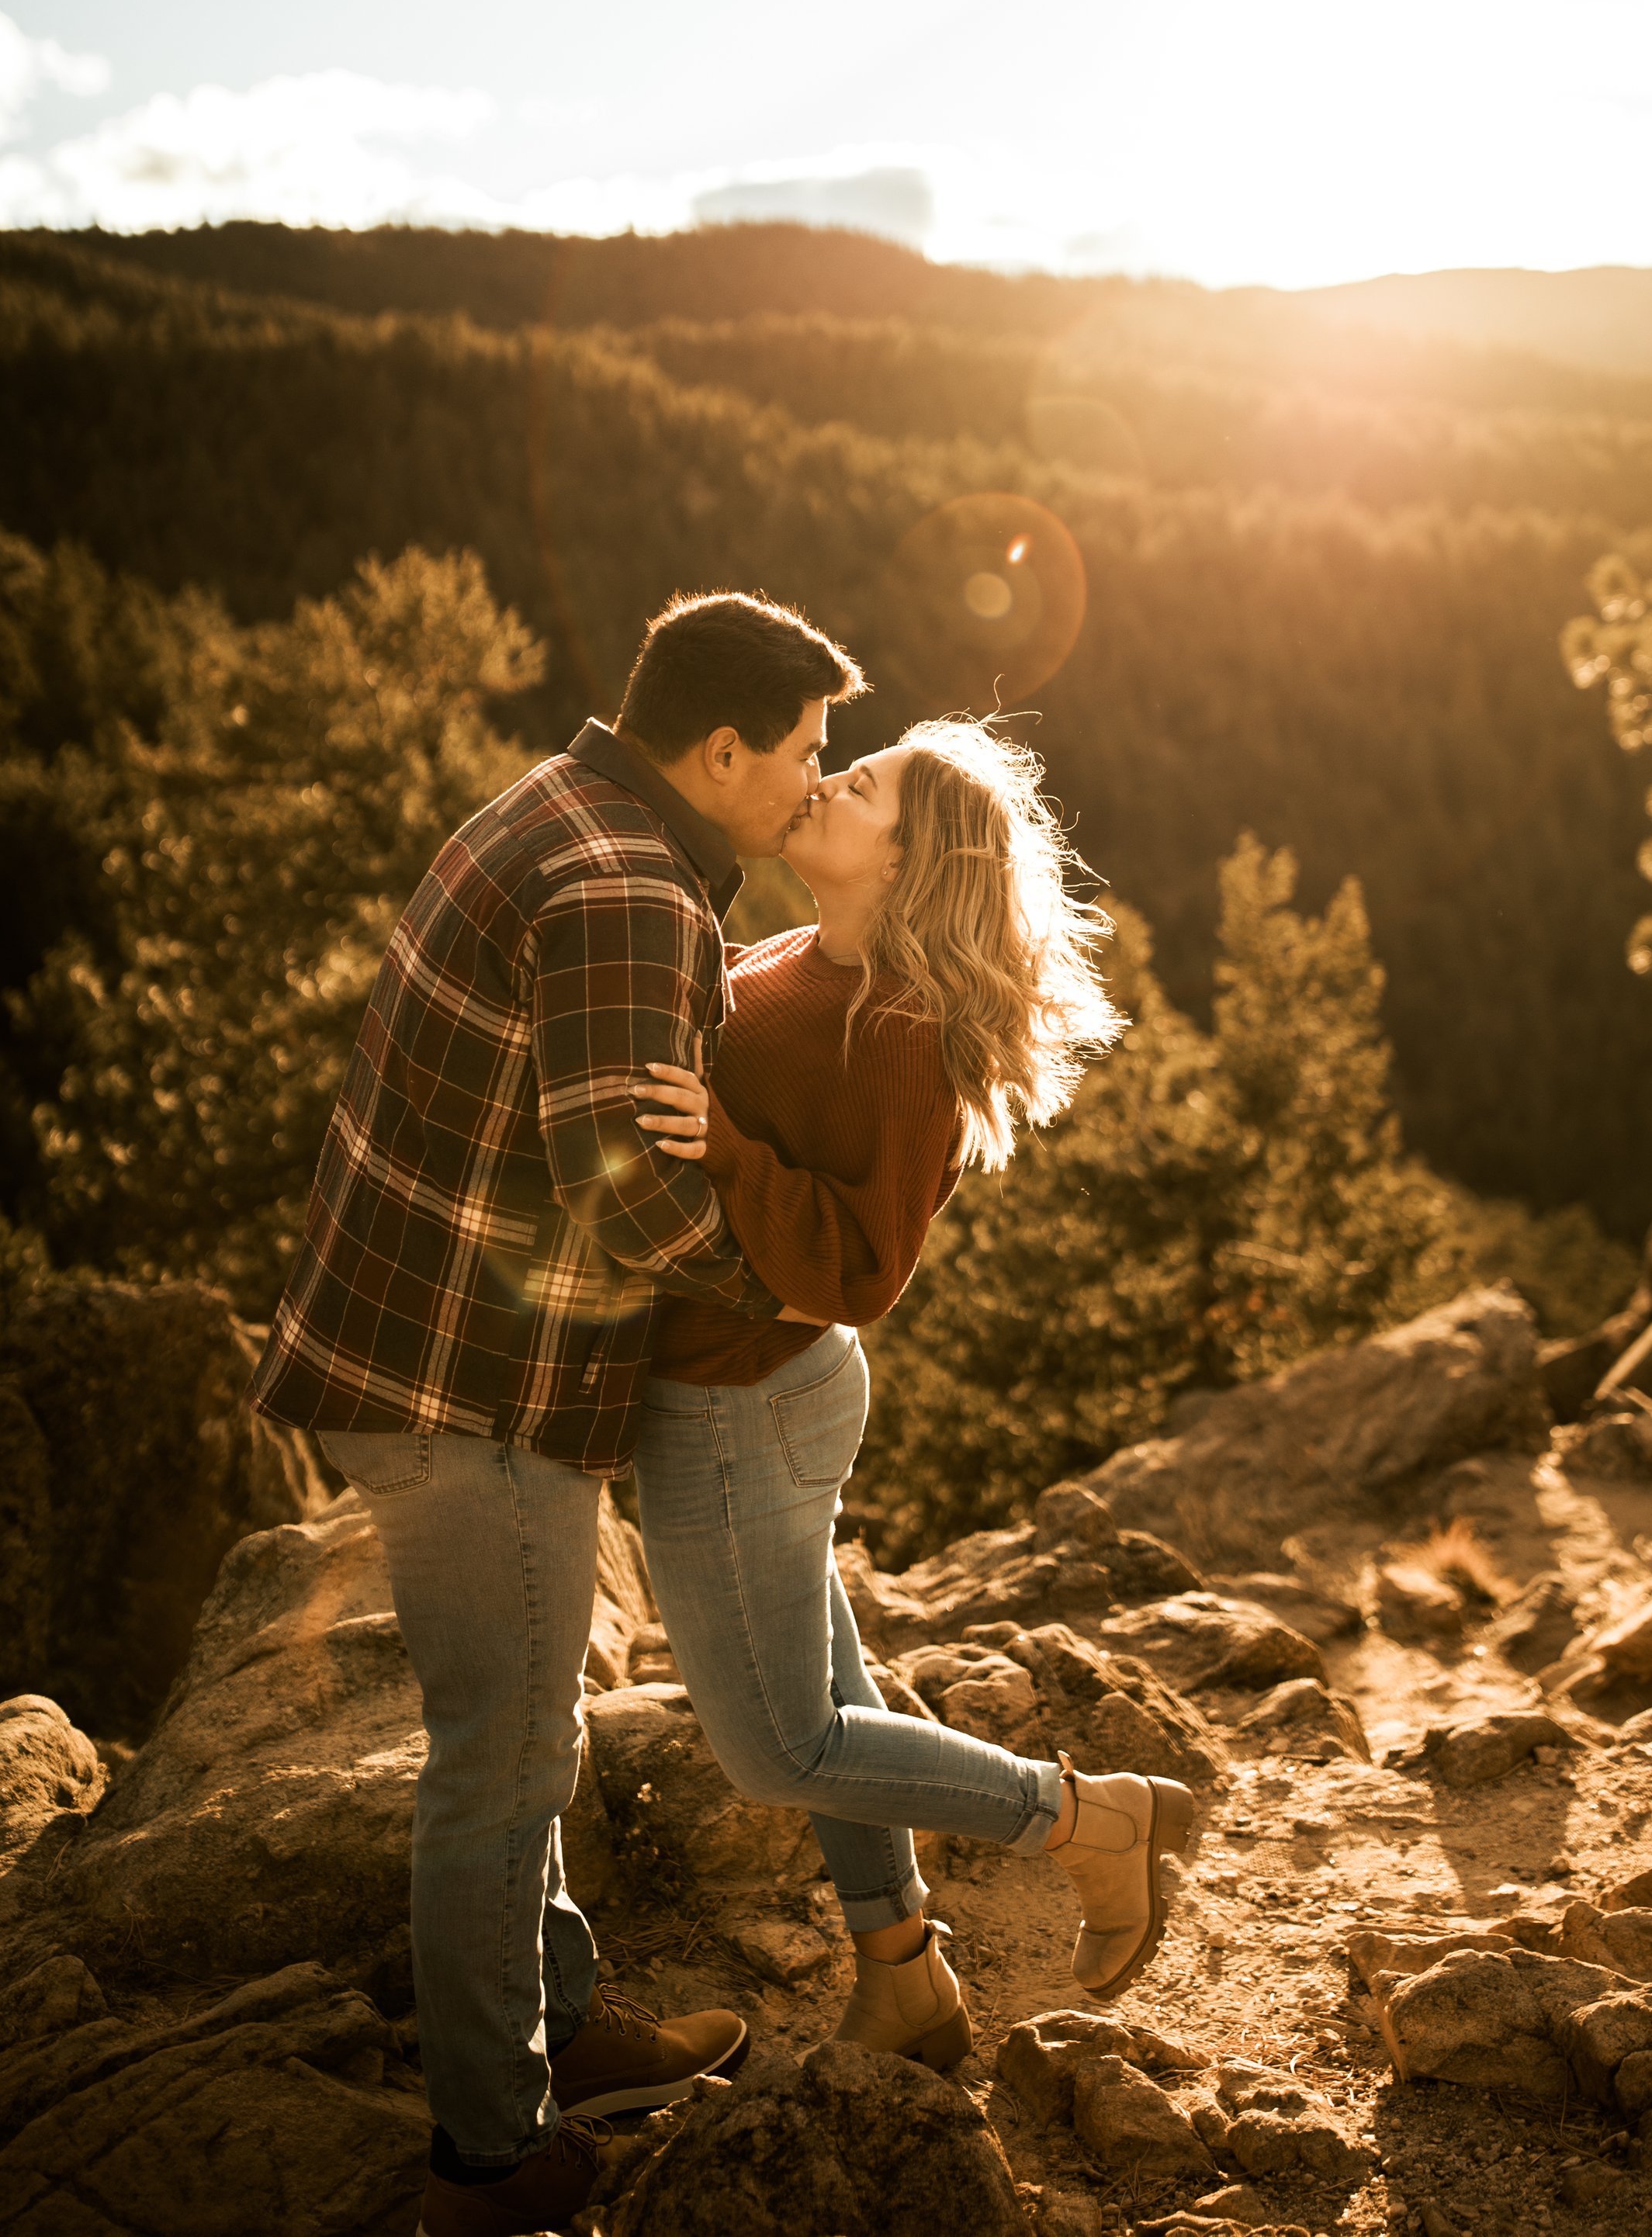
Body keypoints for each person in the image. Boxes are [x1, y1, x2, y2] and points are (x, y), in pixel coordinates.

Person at [251, 589, 867, 2237]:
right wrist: (792, 1279)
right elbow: (619, 1195)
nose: (822, 780)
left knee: (525, 1729)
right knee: (502, 1754)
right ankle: (489, 2152)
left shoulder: (559, 799)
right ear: (718, 748)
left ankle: (559, 2025)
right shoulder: (624, 891)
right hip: (471, 1388)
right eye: (805, 751)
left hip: (414, 1347)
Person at [628, 717, 1197, 2069]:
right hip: (749, 1389)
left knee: (780, 1747)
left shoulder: (898, 1024)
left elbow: (866, 1265)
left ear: (909, 857)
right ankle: (907, 1978)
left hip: (743, 1399)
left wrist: (725, 1147)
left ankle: (1084, 1816)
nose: (826, 777)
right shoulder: (800, 953)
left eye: (862, 780)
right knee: (824, 1699)